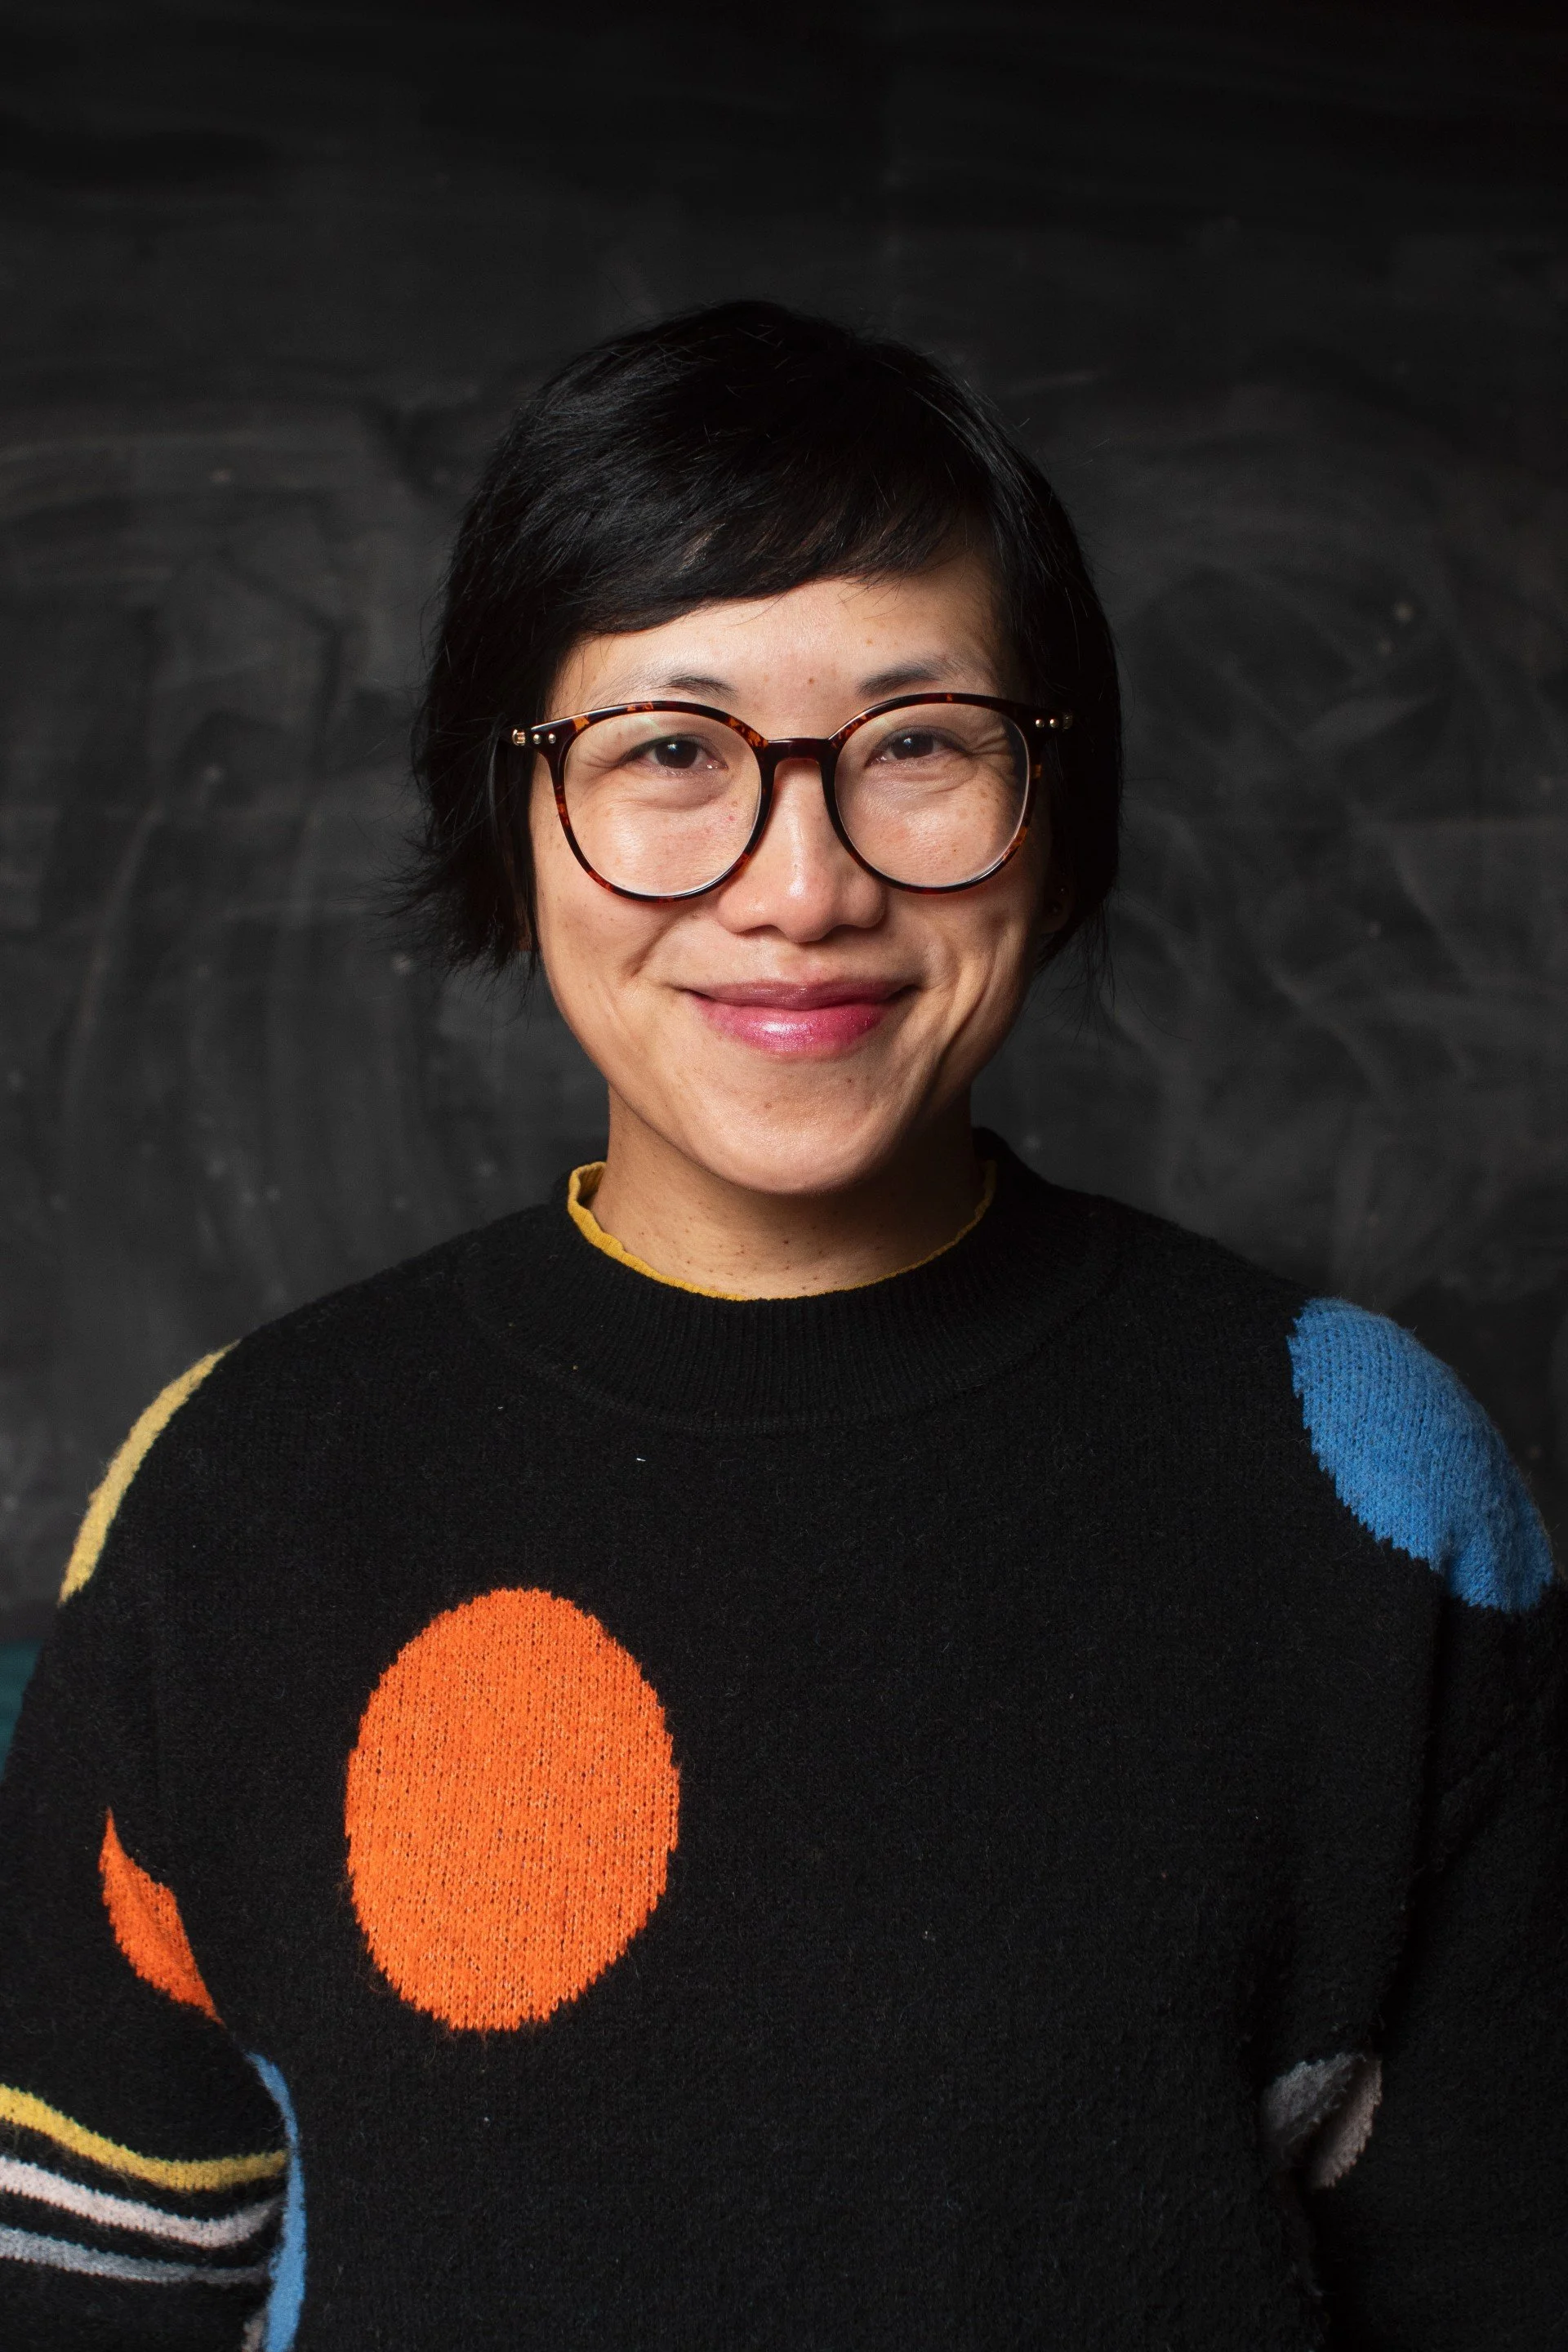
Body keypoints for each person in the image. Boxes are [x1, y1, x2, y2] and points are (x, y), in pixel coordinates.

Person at [0, 301, 1561, 2352]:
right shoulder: (238, 1489)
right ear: (512, 807)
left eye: (918, 746)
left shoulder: (1368, 1474)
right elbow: (87, 2284)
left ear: (1055, 801)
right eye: (669, 753)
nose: (801, 884)